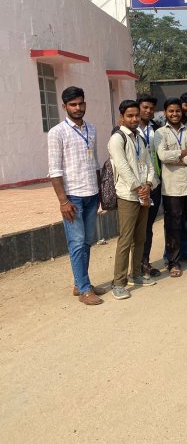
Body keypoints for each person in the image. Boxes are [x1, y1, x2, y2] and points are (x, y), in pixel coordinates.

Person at [48, 86, 106, 306]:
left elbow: (95, 162)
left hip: (91, 194)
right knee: (77, 243)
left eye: (81, 103)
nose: (78, 108)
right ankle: (84, 289)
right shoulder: (57, 132)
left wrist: (99, 192)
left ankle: (80, 283)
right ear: (64, 106)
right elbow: (55, 171)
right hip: (72, 197)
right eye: (73, 104)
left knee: (87, 241)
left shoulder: (92, 129)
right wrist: (63, 201)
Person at [108, 100, 159, 299]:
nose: (134, 119)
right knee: (126, 239)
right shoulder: (117, 139)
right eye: (130, 116)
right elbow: (122, 166)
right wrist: (139, 188)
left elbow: (149, 164)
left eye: (136, 115)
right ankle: (118, 283)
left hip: (143, 194)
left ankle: (136, 274)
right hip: (128, 195)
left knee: (140, 237)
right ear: (122, 117)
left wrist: (149, 184)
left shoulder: (140, 138)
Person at [155, 98, 187, 277]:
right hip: (172, 188)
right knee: (173, 226)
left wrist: (179, 160)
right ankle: (173, 262)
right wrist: (184, 153)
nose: (175, 114)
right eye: (171, 111)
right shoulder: (160, 133)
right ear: (165, 113)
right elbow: (162, 156)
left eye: (177, 111)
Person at [135, 95, 162, 278]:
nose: (148, 111)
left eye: (151, 108)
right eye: (145, 107)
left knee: (148, 226)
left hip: (154, 183)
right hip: (135, 186)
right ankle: (133, 266)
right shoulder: (126, 129)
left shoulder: (157, 129)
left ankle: (145, 262)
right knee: (135, 227)